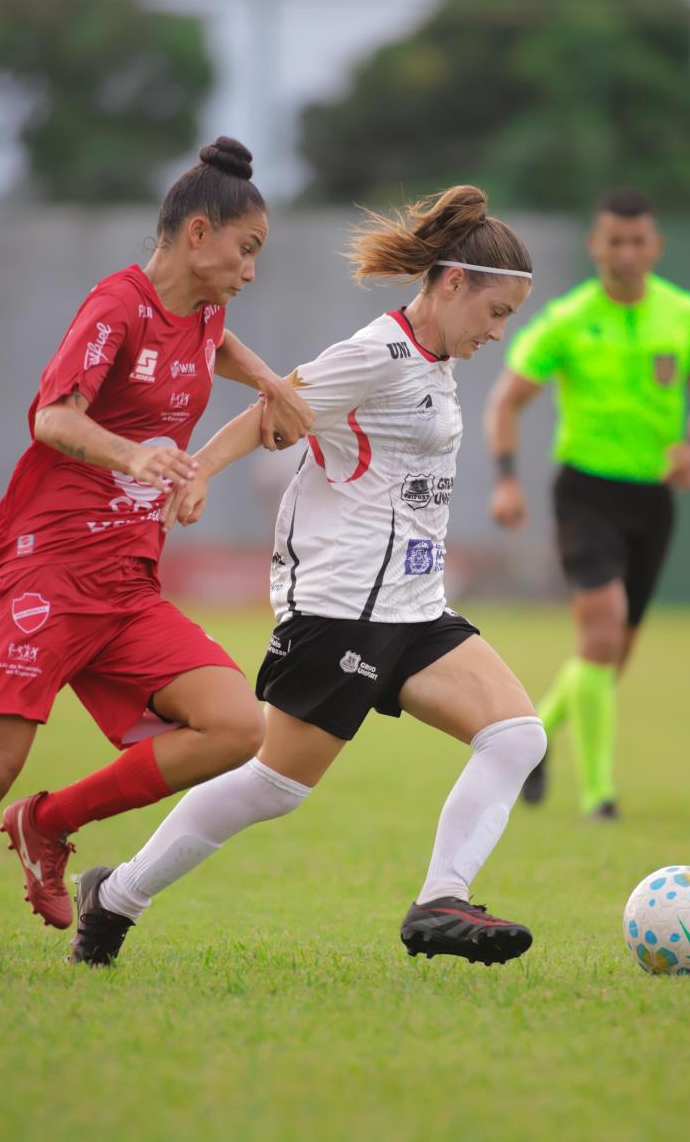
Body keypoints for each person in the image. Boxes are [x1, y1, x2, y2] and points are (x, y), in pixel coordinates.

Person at [65, 184, 548, 969]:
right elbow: (273, 409)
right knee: (275, 788)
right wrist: (200, 474)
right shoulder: (377, 354)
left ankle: (439, 901)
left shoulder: (434, 357)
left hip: (416, 607)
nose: (499, 332)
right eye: (496, 313)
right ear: (453, 283)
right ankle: (114, 895)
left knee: (517, 736)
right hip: (342, 607)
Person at [0, 137, 312, 930]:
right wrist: (139, 455)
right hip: (42, 572)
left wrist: (267, 382)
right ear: (196, 234)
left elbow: (210, 338)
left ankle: (46, 822)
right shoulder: (115, 305)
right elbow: (51, 417)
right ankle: (18, 808)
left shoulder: (207, 307)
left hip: (123, 585)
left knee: (233, 726)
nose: (250, 270)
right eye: (245, 249)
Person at [485, 188, 690, 818]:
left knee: (611, 656)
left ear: (655, 246)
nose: (625, 252)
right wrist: (507, 478)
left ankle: (536, 734)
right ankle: (599, 797)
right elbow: (506, 401)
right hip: (585, 493)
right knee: (599, 632)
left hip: (652, 501)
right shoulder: (567, 319)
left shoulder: (685, 318)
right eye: (613, 241)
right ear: (596, 245)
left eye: (637, 241)